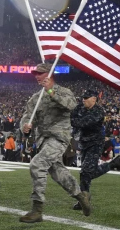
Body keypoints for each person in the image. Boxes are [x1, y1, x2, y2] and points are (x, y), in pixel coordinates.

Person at [20, 64, 92, 221]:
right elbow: (27, 116)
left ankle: (37, 209)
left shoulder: (64, 92)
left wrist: (51, 92)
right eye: (35, 74)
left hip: (59, 137)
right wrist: (25, 127)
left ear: (50, 74)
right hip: (43, 140)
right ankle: (81, 196)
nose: (37, 76)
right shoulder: (35, 98)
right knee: (58, 172)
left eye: (40, 73)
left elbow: (72, 106)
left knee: (37, 164)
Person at [71, 88, 120, 211]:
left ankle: (112, 165)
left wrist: (74, 121)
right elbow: (72, 116)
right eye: (83, 98)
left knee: (85, 171)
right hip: (84, 142)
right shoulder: (81, 107)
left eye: (86, 98)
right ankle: (83, 200)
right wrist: (74, 120)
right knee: (86, 172)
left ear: (94, 99)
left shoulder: (98, 112)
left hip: (95, 143)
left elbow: (82, 123)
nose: (83, 100)